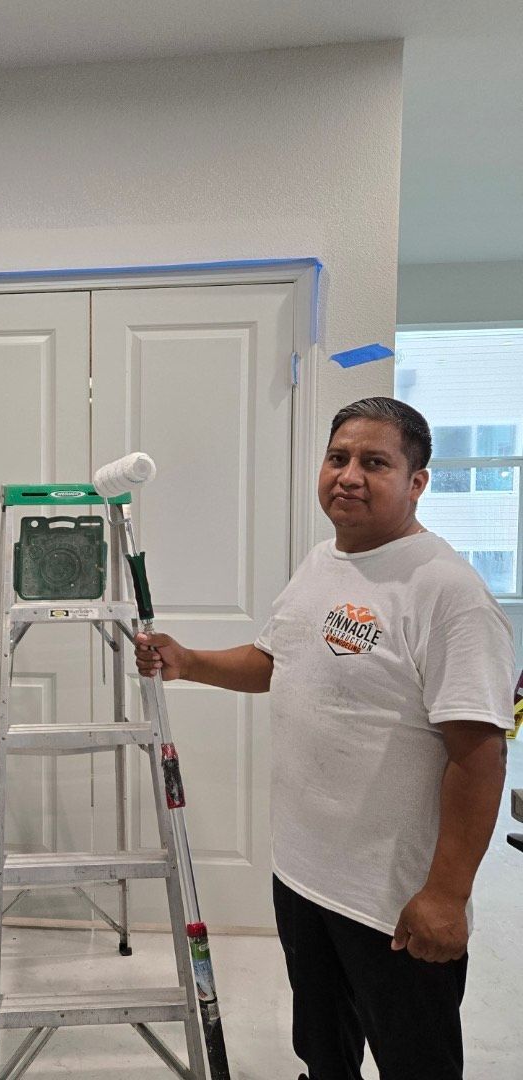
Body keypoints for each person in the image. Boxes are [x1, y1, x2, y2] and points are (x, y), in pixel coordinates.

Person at [135, 397, 514, 1080]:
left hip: (392, 901)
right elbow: (277, 663)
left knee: (415, 1062)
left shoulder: (447, 593)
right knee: (323, 1051)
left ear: (417, 481)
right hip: (305, 877)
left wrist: (446, 895)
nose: (348, 475)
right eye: (338, 457)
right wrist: (187, 661)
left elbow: (479, 756)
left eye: (375, 462)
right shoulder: (322, 563)